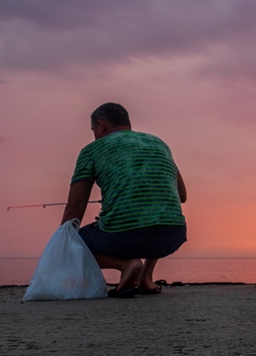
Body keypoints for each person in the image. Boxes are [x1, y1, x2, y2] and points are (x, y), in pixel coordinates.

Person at [60, 103, 187, 298]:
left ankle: (126, 265)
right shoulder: (159, 143)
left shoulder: (92, 150)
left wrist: (61, 243)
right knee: (157, 210)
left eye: (93, 130)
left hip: (122, 237)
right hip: (172, 235)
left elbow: (75, 206)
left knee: (73, 240)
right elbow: (182, 196)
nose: (94, 135)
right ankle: (146, 278)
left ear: (101, 125)